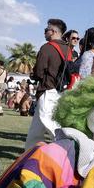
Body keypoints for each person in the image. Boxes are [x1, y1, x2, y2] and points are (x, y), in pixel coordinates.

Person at [24, 18, 71, 148]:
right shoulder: (68, 50)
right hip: (63, 91)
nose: (45, 32)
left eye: (46, 30)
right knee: (36, 128)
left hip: (48, 90)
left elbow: (38, 72)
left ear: (54, 31)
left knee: (52, 126)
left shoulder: (47, 48)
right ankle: (29, 152)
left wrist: (33, 75)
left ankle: (66, 150)